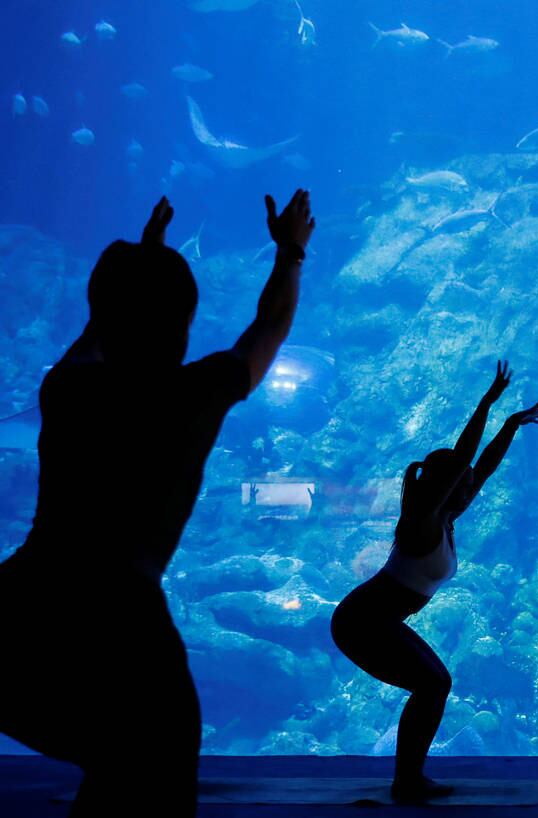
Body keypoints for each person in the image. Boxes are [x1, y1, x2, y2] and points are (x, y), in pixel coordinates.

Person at [0, 191, 314, 817]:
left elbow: (100, 331)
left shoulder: (67, 388)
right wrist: (290, 253)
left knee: (112, 765)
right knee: (154, 768)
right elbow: (270, 326)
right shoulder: (194, 394)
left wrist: (143, 260)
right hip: (123, 621)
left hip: (21, 605)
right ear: (185, 322)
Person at [331, 362, 538, 803]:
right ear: (446, 488)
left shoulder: (443, 519)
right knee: (432, 685)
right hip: (361, 621)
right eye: (461, 485)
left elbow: (480, 467)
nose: (471, 490)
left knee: (433, 683)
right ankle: (407, 781)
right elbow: (466, 460)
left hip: (378, 620)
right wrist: (488, 402)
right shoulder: (421, 523)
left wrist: (509, 425)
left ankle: (408, 778)